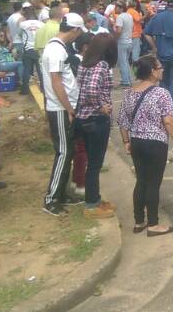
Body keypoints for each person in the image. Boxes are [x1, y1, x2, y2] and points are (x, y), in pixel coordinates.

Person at [118, 55, 173, 236]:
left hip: (136, 142)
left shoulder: (129, 93)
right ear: (153, 72)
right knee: (153, 183)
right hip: (155, 143)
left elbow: (123, 121)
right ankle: (153, 224)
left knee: (141, 181)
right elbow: (168, 121)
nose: (162, 69)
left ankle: (139, 221)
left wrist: (126, 141)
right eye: (159, 67)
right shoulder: (162, 93)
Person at [41, 13, 88, 216]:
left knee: (67, 152)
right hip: (59, 108)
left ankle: (61, 193)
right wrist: (69, 108)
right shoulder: (55, 50)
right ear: (75, 30)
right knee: (63, 153)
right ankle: (51, 199)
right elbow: (56, 81)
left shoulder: (59, 48)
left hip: (64, 106)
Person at [73, 33, 118, 219]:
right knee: (94, 164)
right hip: (96, 119)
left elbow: (82, 87)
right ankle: (92, 205)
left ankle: (96, 199)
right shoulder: (101, 65)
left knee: (93, 162)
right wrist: (102, 107)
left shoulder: (85, 63)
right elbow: (92, 90)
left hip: (83, 118)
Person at [114, 0, 139, 87]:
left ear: (120, 8)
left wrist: (115, 39)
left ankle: (125, 81)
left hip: (122, 41)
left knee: (122, 62)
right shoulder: (129, 16)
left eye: (116, 7)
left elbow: (119, 30)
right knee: (126, 61)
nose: (115, 8)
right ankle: (128, 79)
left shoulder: (120, 17)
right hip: (129, 40)